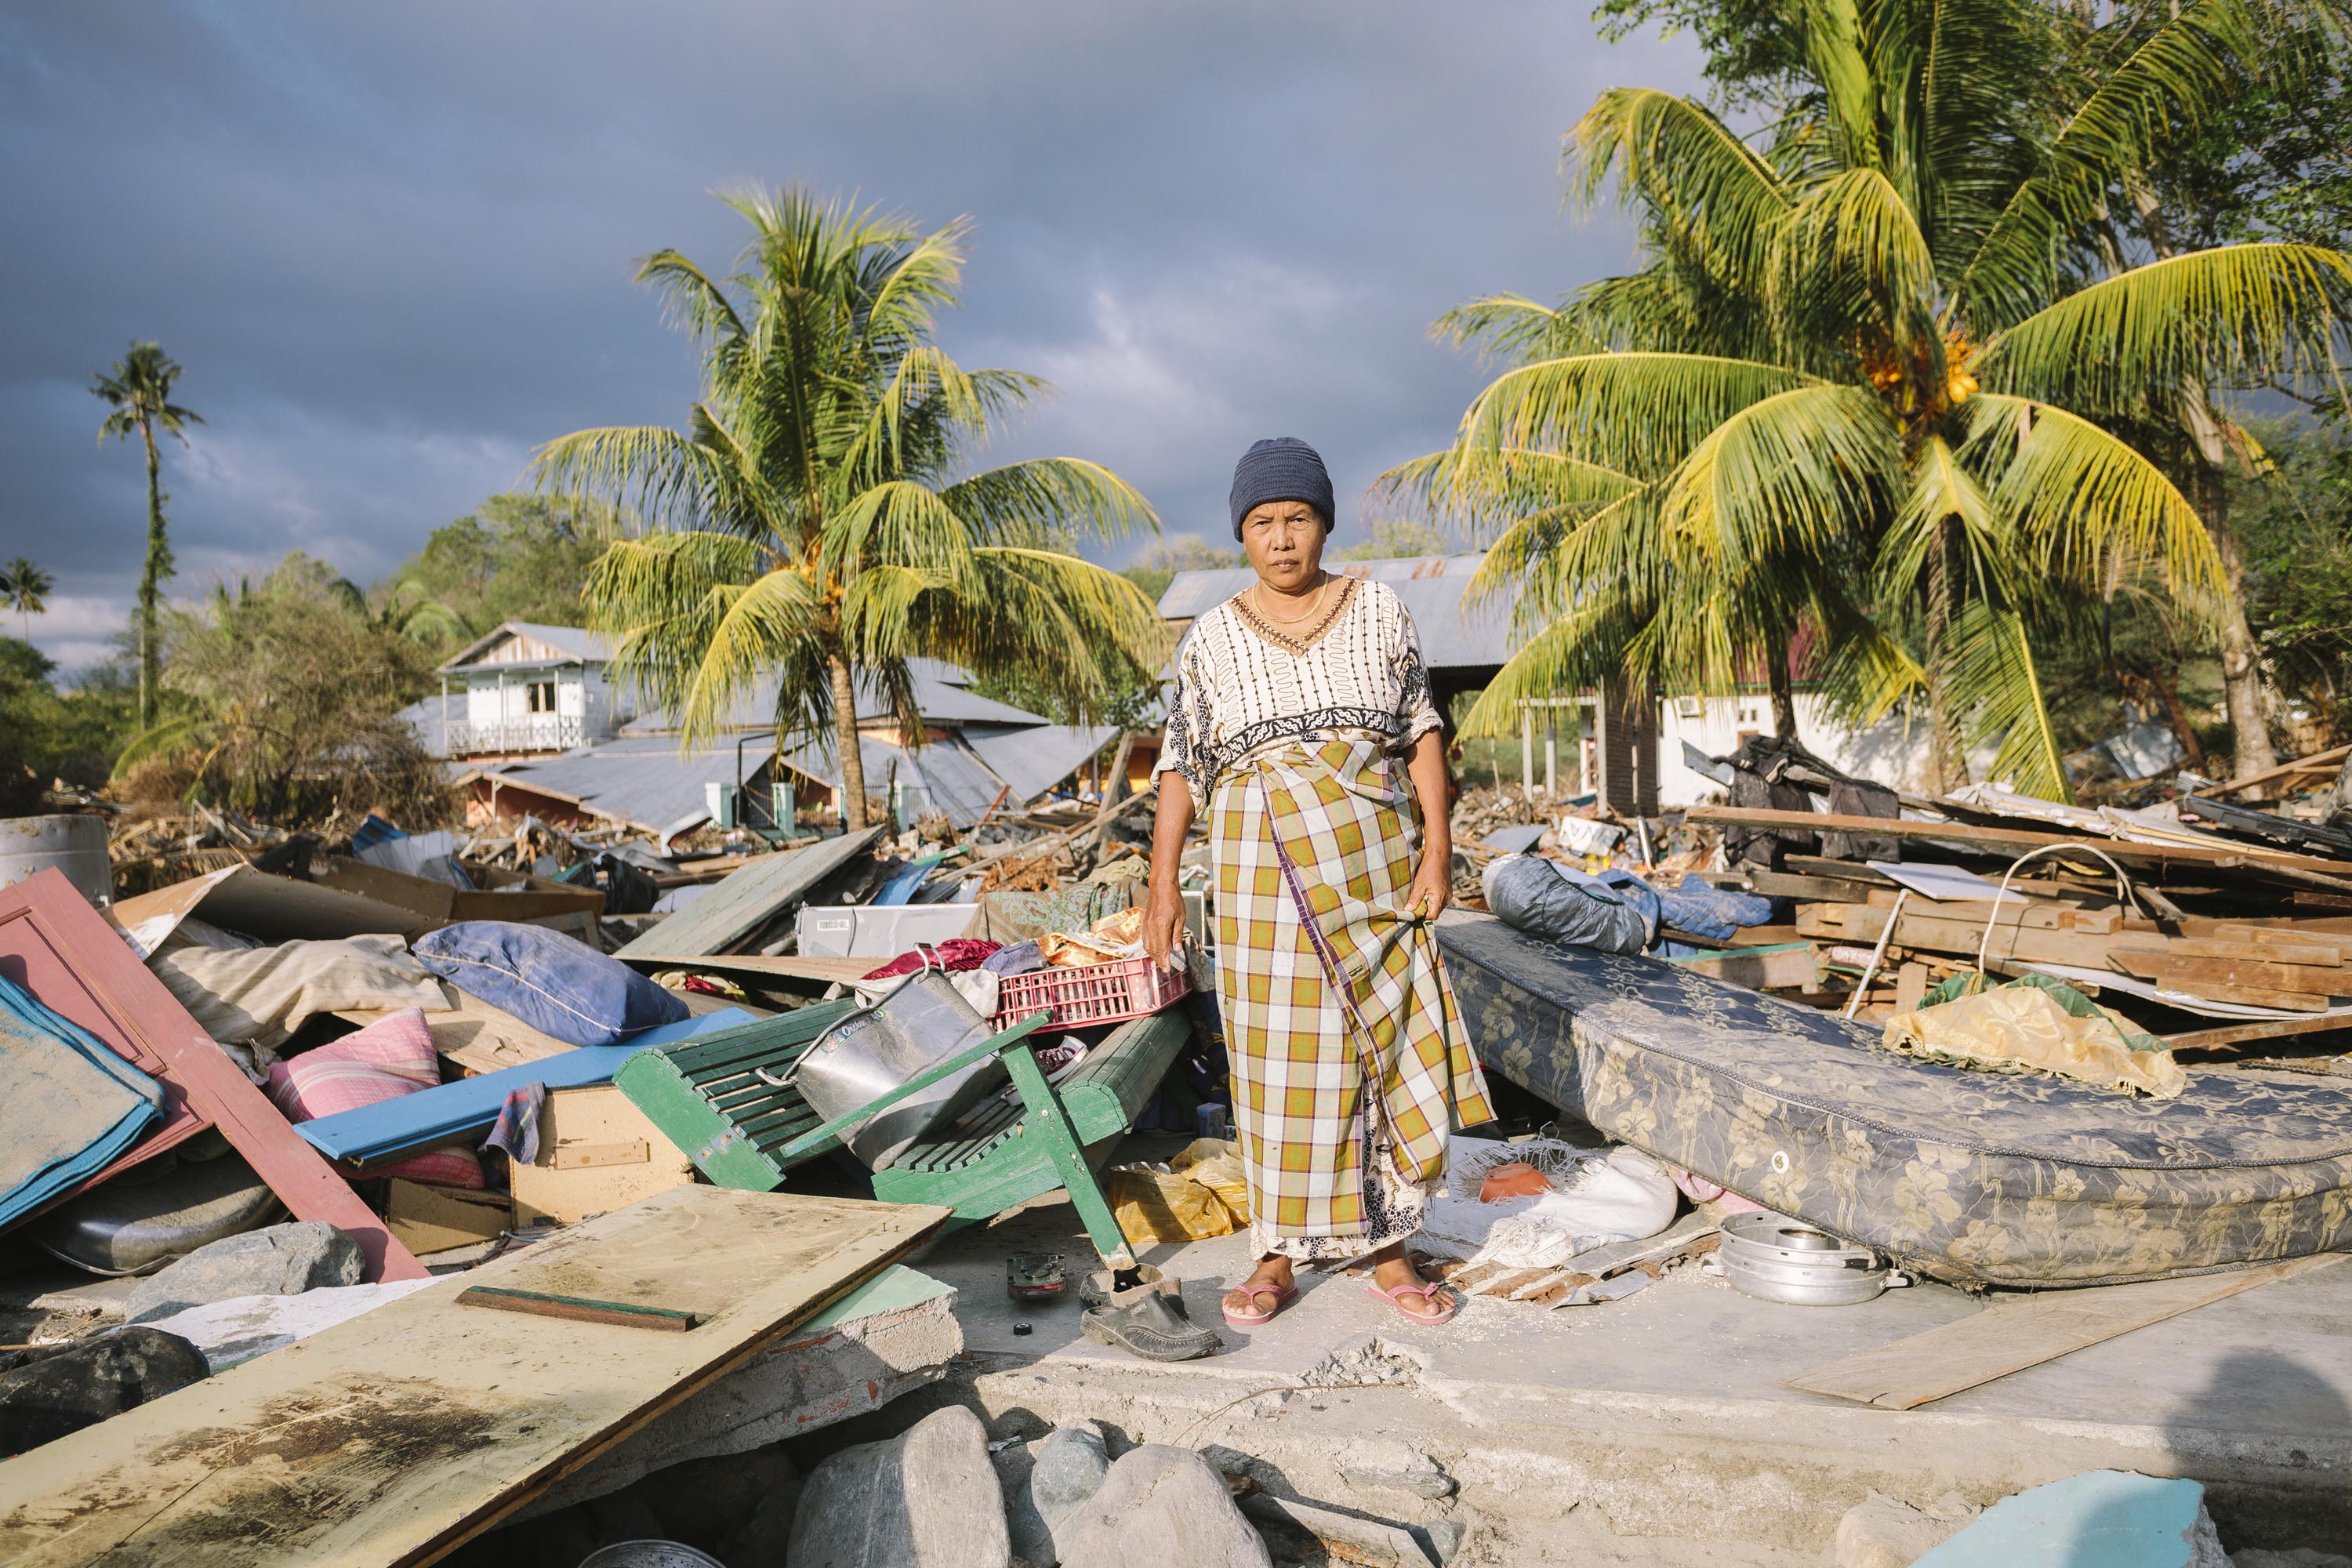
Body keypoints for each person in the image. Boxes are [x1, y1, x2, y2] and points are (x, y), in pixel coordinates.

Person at [1141, 437, 1494, 1328]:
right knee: (1273, 1063)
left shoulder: (1380, 609)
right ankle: (1277, 1251)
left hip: (1372, 863)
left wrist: (1439, 849)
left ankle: (1388, 1249)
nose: (1283, 537)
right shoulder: (1211, 636)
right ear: (1242, 534)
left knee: (1382, 1046)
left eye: (1297, 517)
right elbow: (1181, 764)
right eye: (1262, 522)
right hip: (1258, 872)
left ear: (1324, 523)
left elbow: (1422, 733)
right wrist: (1163, 884)